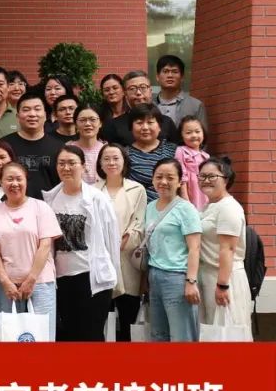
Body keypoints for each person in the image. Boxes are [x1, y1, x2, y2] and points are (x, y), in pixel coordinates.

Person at [43, 145, 120, 341]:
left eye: (72, 163)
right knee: (68, 335)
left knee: (91, 335)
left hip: (91, 276)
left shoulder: (97, 199)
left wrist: (113, 275)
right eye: (61, 163)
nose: (66, 168)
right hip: (61, 278)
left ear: (84, 166)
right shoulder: (51, 199)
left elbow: (112, 239)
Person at [0, 162, 62, 339]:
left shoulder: (41, 207)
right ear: (1, 182)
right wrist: (5, 281)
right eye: (9, 179)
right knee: (11, 338)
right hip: (7, 286)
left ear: (26, 181)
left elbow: (45, 245)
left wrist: (31, 279)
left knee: (42, 336)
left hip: (40, 282)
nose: (14, 183)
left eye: (18, 179)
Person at [94, 143, 148, 341]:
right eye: (106, 159)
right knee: (100, 319)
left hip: (127, 260)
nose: (111, 162)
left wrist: (122, 242)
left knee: (128, 318)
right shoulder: (92, 190)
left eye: (116, 158)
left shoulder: (137, 189)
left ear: (124, 161)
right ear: (100, 163)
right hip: (100, 261)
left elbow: (139, 223)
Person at [144, 158, 202, 342]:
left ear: (179, 182)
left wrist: (191, 281)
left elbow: (195, 247)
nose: (163, 182)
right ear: (153, 179)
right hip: (154, 275)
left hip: (177, 278)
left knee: (181, 335)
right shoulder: (150, 207)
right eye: (159, 177)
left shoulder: (186, 209)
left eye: (170, 177)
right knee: (158, 334)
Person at [196, 157, 252, 340]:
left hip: (224, 278)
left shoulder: (229, 208)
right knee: (211, 333)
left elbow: (227, 249)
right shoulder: (208, 206)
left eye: (212, 176)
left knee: (226, 333)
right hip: (207, 276)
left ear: (226, 179)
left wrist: (222, 285)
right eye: (202, 176)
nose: (206, 180)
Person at [1, 92, 61, 198]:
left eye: (37, 109)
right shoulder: (4, 146)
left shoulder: (59, 147)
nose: (32, 114)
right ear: (17, 116)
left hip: (49, 205)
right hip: (11, 204)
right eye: (26, 110)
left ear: (45, 115)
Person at [103, 71, 177, 146]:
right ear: (125, 94)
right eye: (132, 89)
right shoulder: (114, 125)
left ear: (150, 91)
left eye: (143, 87)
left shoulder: (167, 122)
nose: (138, 93)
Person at [126, 103, 179, 201]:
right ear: (131, 127)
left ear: (159, 126)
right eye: (139, 123)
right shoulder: (124, 154)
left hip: (169, 206)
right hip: (135, 206)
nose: (145, 127)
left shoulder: (174, 151)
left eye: (150, 122)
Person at [154, 54, 207, 127]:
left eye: (175, 72)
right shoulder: (150, 105)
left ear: (182, 77)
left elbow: (202, 133)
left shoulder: (195, 106)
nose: (170, 75)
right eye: (165, 71)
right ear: (157, 77)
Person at [175, 116, 210, 210]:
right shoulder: (181, 151)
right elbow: (182, 177)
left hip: (204, 193)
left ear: (203, 133)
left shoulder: (206, 156)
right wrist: (185, 200)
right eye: (188, 132)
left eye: (197, 131)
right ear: (181, 135)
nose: (194, 135)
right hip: (190, 193)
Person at [66, 104, 105, 184]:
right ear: (75, 124)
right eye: (82, 120)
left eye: (92, 119)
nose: (87, 124)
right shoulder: (67, 150)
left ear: (100, 123)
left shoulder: (106, 150)